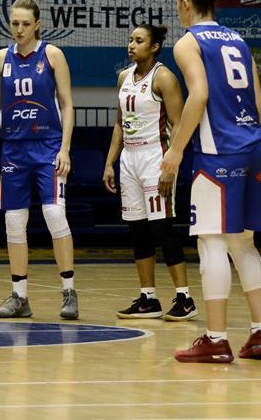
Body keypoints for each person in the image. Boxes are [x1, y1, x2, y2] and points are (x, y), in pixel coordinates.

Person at [163, 0, 261, 363]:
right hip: (255, 146)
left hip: (220, 152)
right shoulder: (239, 40)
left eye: (178, 5)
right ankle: (260, 333)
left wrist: (176, 151)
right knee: (243, 243)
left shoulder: (188, 42)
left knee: (211, 241)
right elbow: (258, 106)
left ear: (186, 3)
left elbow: (199, 95)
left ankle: (216, 339)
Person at [0, 0, 78, 320]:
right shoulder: (0, 58)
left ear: (37, 25)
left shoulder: (52, 55)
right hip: (13, 149)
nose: (19, 29)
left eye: (25, 24)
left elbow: (67, 105)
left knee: (54, 214)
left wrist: (65, 148)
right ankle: (19, 297)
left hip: (48, 146)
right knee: (14, 221)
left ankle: (69, 291)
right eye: (14, 23)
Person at [103, 24, 196, 321]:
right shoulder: (123, 77)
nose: (131, 45)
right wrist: (109, 162)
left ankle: (185, 298)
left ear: (154, 47)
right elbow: (119, 124)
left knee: (162, 228)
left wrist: (171, 164)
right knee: (137, 230)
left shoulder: (164, 77)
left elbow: (179, 123)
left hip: (156, 157)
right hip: (129, 159)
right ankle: (148, 298)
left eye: (139, 40)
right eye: (130, 39)